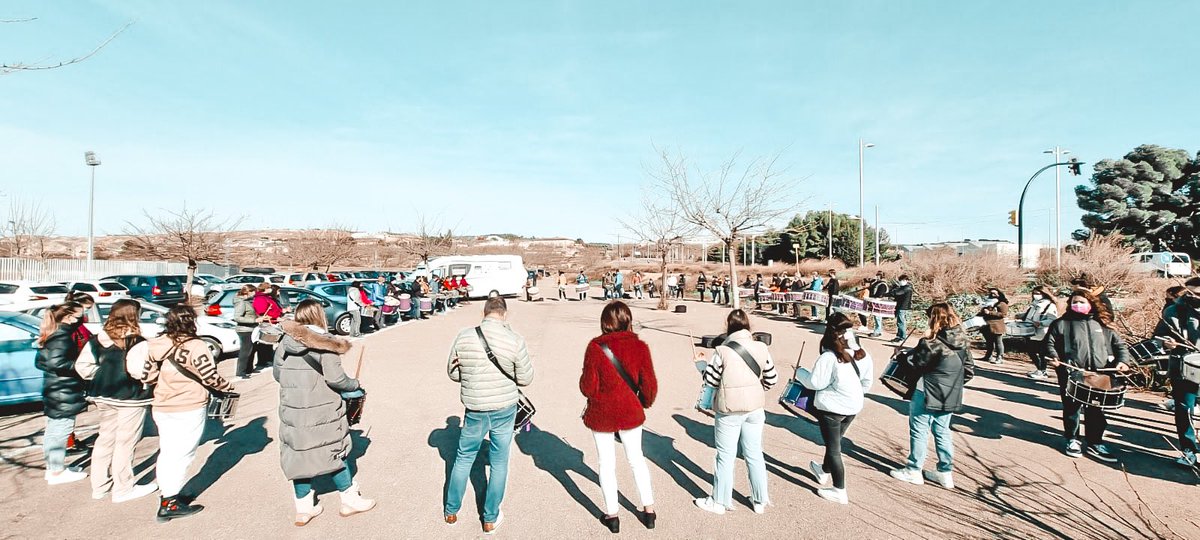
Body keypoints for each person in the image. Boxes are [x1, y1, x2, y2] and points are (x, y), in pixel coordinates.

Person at [127, 304, 235, 522]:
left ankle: (168, 494)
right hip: (189, 404)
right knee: (182, 454)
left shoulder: (156, 345)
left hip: (163, 403)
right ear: (191, 322)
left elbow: (147, 376)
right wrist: (226, 386)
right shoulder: (196, 345)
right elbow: (209, 375)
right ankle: (169, 502)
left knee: (168, 451)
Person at [275, 301, 374, 526]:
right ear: (320, 316)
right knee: (335, 452)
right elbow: (336, 379)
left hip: (293, 408)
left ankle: (303, 509)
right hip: (322, 408)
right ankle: (349, 500)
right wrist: (355, 383)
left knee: (300, 454)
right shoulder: (326, 344)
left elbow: (278, 373)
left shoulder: (285, 341)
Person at [444, 297, 535, 534]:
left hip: (475, 407)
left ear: (483, 312)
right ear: (505, 313)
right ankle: (490, 517)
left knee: (463, 457)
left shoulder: (464, 336)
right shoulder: (515, 339)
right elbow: (525, 378)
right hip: (504, 407)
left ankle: (451, 510)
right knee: (499, 461)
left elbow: (452, 373)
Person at [580, 301, 658, 532]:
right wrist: (643, 402)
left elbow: (588, 387)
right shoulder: (640, 347)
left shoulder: (595, 347)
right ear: (628, 320)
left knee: (606, 464)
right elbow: (649, 385)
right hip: (629, 410)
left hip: (602, 412)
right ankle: (649, 510)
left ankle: (612, 515)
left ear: (605, 323)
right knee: (637, 459)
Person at [693, 310, 778, 515]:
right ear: (748, 326)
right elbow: (772, 378)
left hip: (729, 410)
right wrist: (756, 390)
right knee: (754, 454)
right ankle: (759, 501)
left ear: (728, 326)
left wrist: (701, 366)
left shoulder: (722, 351)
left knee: (725, 456)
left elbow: (710, 381)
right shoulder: (761, 347)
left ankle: (720, 502)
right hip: (755, 408)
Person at [75, 299, 158, 501]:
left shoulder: (96, 340)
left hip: (102, 394)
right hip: (131, 396)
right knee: (125, 442)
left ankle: (100, 485)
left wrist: (101, 374)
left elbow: (82, 367)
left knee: (105, 439)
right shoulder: (137, 342)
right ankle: (123, 488)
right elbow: (140, 372)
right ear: (134, 315)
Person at [888, 303, 974, 489]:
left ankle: (913, 469)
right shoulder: (963, 342)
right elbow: (969, 372)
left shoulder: (931, 343)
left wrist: (900, 356)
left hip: (927, 390)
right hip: (950, 393)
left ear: (934, 319)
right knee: (942, 431)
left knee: (919, 429)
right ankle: (945, 472)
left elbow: (914, 365)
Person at [1043, 289, 1131, 462]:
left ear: (1091, 304)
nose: (1078, 305)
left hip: (1099, 374)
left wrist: (1123, 361)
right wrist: (1054, 358)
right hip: (1071, 373)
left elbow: (1120, 346)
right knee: (1072, 409)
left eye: (1082, 302)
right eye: (1074, 301)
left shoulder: (1103, 324)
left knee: (1096, 410)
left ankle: (1095, 442)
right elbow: (1049, 344)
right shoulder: (1061, 323)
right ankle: (1072, 439)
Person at [794, 312, 873, 504]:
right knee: (834, 442)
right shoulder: (863, 355)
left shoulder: (829, 357)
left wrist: (799, 372)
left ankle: (840, 490)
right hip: (853, 406)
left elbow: (815, 382)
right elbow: (866, 383)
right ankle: (823, 471)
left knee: (834, 448)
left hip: (833, 408)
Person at [35, 301, 89, 485]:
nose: (82, 318)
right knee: (61, 430)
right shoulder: (61, 336)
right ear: (68, 317)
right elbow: (55, 363)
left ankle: (54, 468)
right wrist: (79, 366)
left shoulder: (52, 333)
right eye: (79, 314)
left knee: (54, 430)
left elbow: (41, 362)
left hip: (55, 388)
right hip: (63, 390)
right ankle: (57, 471)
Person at [1154, 277, 1200, 467]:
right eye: (1189, 293)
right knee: (1184, 408)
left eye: (1197, 293)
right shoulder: (1173, 311)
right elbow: (1157, 337)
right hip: (1183, 367)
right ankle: (1189, 448)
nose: (1193, 297)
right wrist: (1166, 343)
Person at [1024, 286, 1061, 380]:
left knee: (1042, 353)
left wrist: (1041, 323)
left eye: (1038, 293)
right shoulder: (1034, 304)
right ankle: (1039, 369)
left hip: (1042, 332)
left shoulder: (1049, 305)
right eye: (1034, 293)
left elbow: (1052, 319)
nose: (1035, 295)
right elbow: (1030, 315)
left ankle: (1043, 371)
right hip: (1030, 331)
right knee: (1030, 351)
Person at [252, 282, 285, 367]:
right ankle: (263, 361)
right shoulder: (260, 298)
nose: (271, 289)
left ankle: (268, 359)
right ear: (265, 289)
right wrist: (274, 317)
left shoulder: (266, 297)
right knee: (264, 343)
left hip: (272, 321)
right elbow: (262, 312)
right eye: (269, 287)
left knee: (268, 343)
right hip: (266, 322)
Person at [232, 285, 260, 380]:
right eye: (253, 292)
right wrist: (254, 320)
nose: (255, 294)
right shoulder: (241, 303)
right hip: (244, 330)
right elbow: (237, 317)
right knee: (245, 351)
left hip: (251, 329)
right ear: (248, 292)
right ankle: (241, 371)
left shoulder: (247, 302)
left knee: (251, 350)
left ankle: (248, 369)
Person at [979, 288, 1010, 365]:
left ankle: (1000, 357)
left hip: (997, 326)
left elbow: (1003, 314)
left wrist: (990, 313)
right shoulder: (988, 303)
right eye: (991, 293)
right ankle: (988, 356)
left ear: (999, 294)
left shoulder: (1002, 303)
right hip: (986, 325)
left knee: (998, 342)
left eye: (994, 293)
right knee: (989, 342)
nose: (992, 295)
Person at [887, 275, 914, 343]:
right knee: (899, 322)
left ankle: (902, 337)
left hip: (903, 307)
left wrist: (891, 292)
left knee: (901, 322)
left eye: (903, 280)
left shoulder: (907, 288)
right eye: (900, 280)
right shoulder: (903, 287)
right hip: (900, 306)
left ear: (906, 281)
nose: (901, 282)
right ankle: (898, 336)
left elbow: (897, 293)